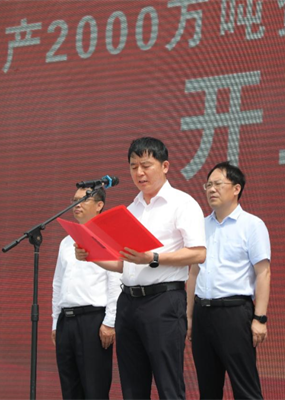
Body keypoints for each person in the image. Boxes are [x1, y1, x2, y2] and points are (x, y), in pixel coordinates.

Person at [75, 137, 206, 400]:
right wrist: (91, 256)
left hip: (163, 301)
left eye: (146, 165)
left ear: (165, 166)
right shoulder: (130, 210)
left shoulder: (182, 203)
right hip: (128, 303)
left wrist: (152, 257)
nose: (139, 173)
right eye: (133, 166)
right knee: (132, 387)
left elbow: (198, 253)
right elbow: (123, 263)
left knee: (168, 385)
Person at [186, 162, 271, 400]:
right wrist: (189, 317)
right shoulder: (201, 226)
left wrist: (260, 318)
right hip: (202, 314)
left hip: (234, 314)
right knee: (208, 389)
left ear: (236, 189)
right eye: (208, 185)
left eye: (217, 184)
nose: (211, 189)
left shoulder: (252, 225)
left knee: (245, 389)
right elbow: (193, 273)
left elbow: (263, 273)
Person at [51, 187, 121, 400]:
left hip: (93, 321)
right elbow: (58, 283)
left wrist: (110, 322)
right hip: (66, 321)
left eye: (83, 200)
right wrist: (55, 322)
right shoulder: (66, 242)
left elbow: (115, 280)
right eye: (74, 200)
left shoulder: (108, 236)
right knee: (70, 389)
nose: (77, 205)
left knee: (94, 389)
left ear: (99, 205)